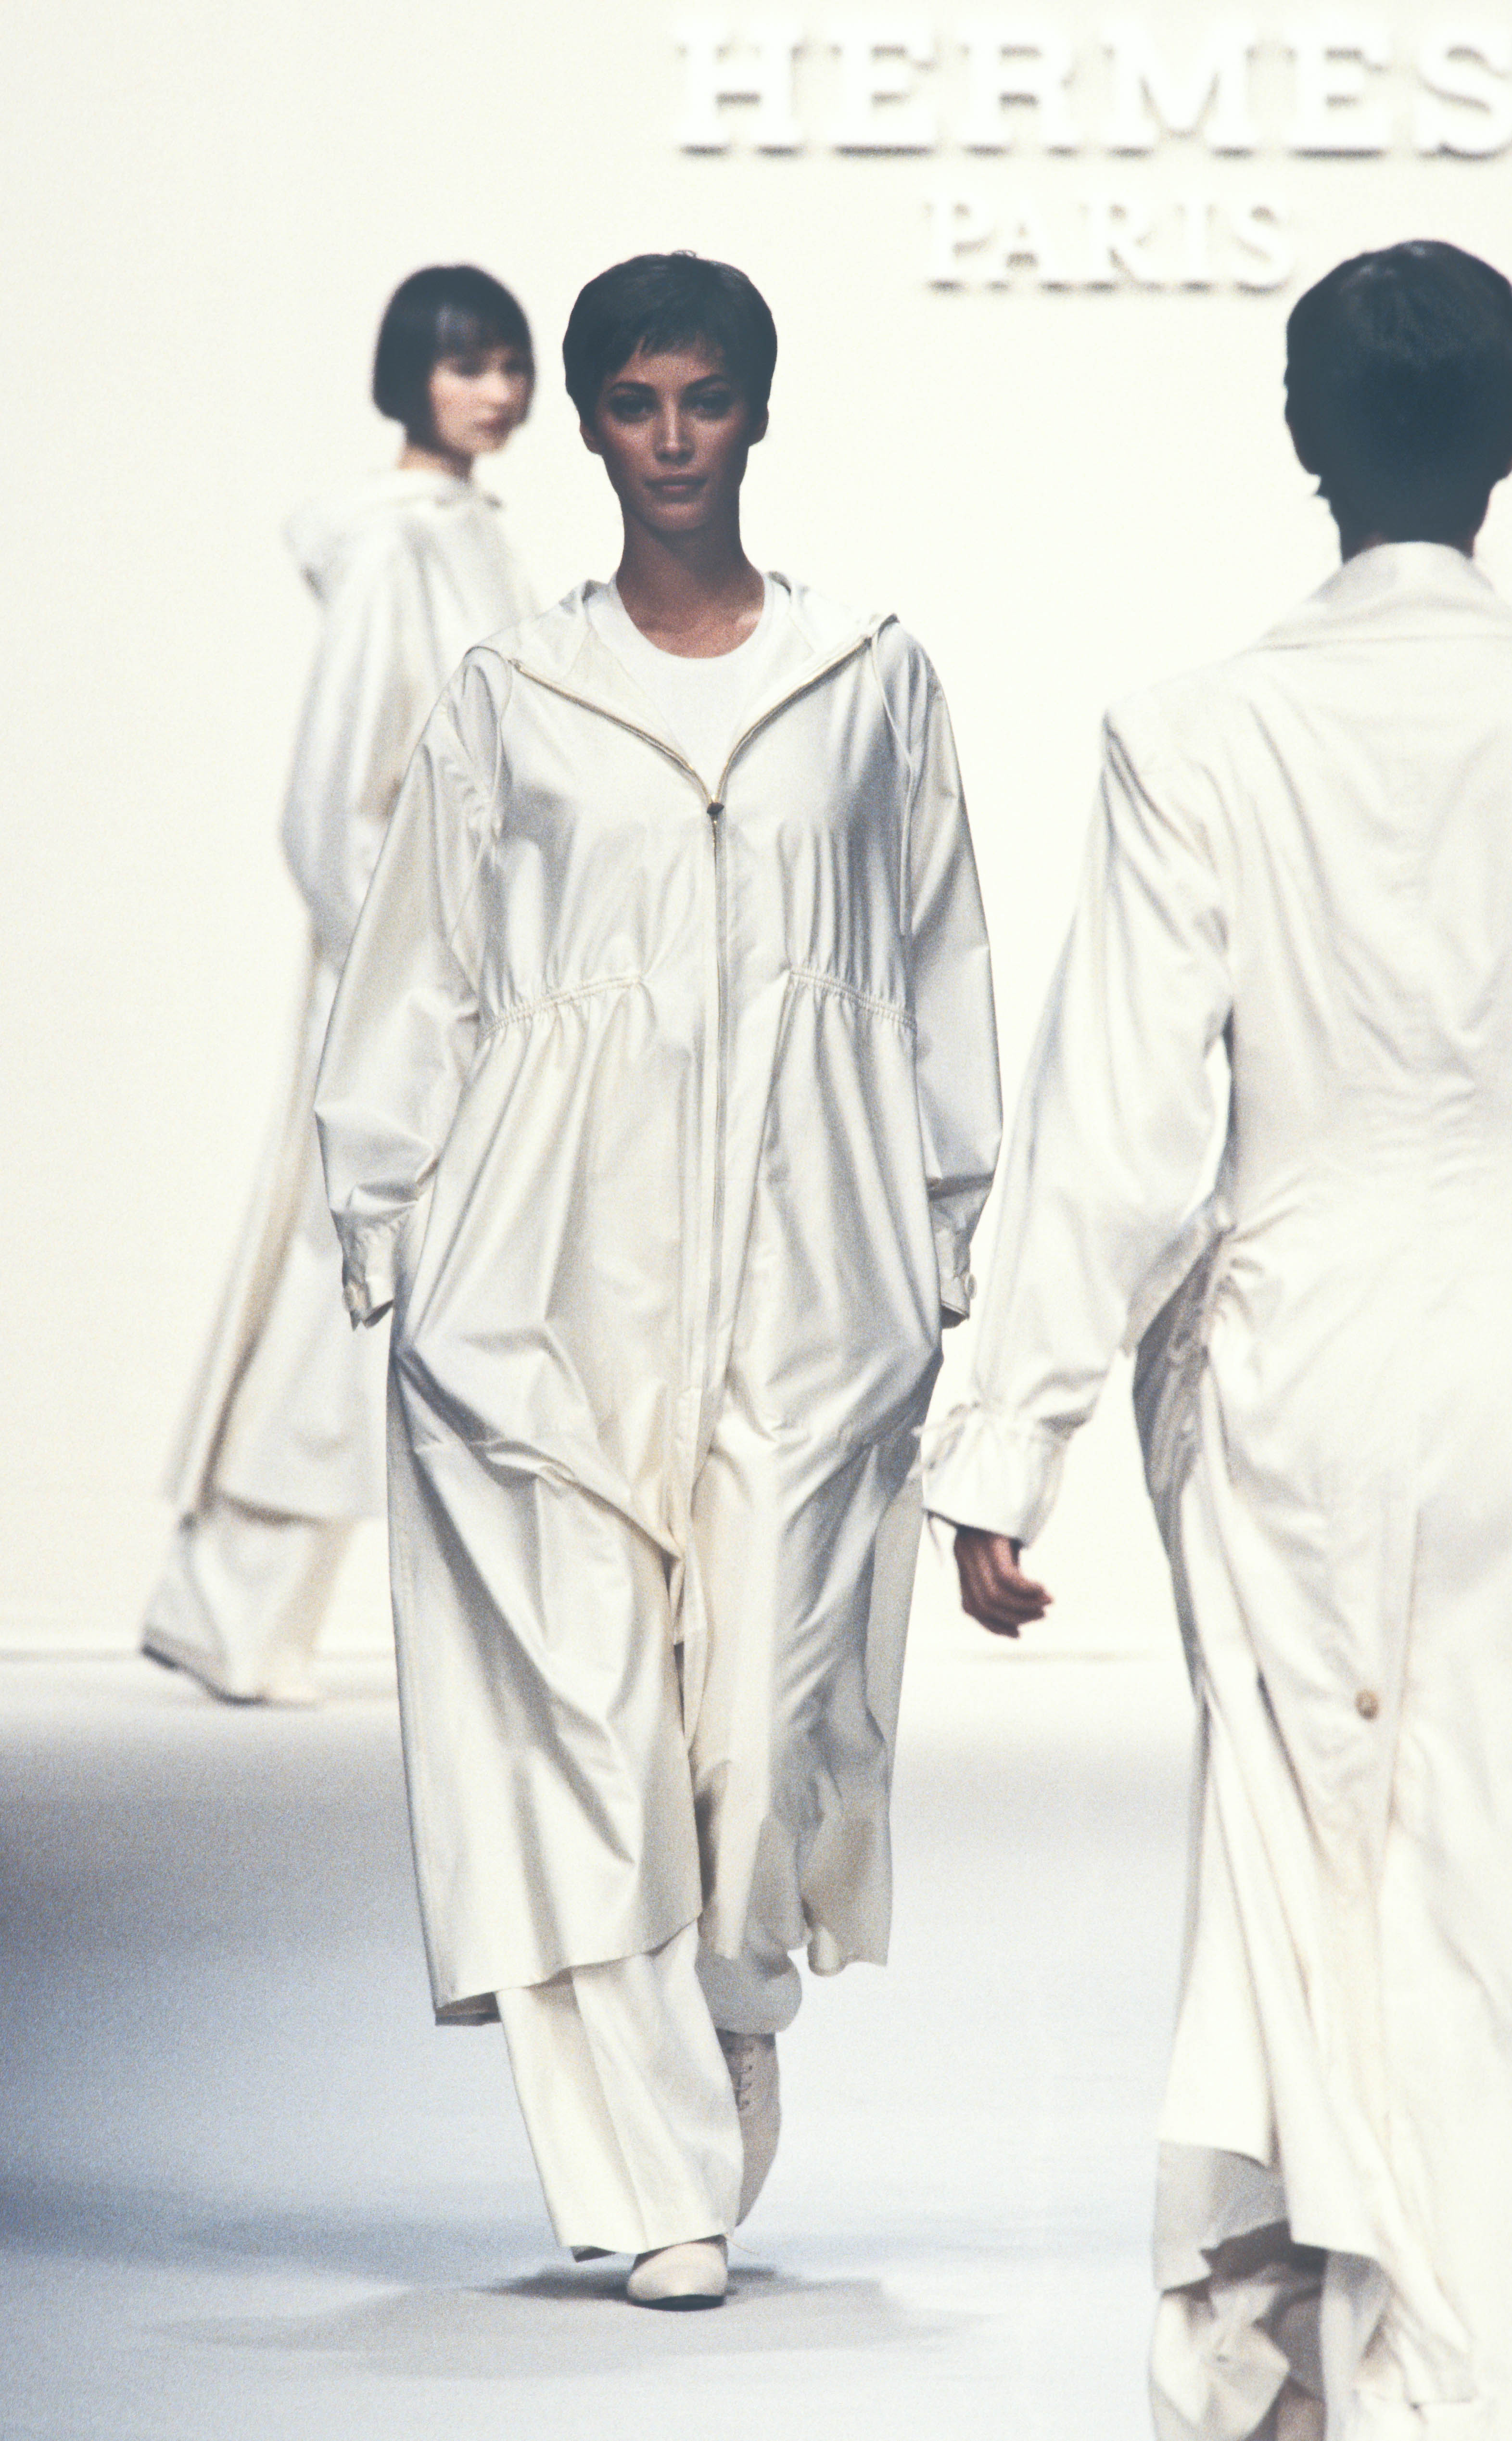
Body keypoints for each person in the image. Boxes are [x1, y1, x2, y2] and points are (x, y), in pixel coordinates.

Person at [926, 241, 1512, 2436]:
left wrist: (1007, 1444)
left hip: (1292, 1365)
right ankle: (1511, 2374)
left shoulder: (1196, 731)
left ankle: (1319, 2360)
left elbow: (1121, 1128)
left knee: (1306, 1859)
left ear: (1306, 439)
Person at [313, 252, 1002, 2306]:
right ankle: (656, 2170)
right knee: (581, 1717)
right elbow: (420, 961)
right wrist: (387, 1215)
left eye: (706, 398)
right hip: (543, 1268)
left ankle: (726, 2008)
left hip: (815, 1272)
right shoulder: (514, 687)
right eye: (635, 401)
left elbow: (943, 959)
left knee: (769, 1722)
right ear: (595, 424)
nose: (673, 437)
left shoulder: (868, 680)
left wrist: (950, 1229)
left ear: (760, 413)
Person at [143, 267, 535, 1704]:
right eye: (466, 364)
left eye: (511, 363)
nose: (496, 390)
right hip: (398, 987)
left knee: (427, 1282)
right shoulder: (391, 550)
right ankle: (232, 1602)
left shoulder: (470, 533)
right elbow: (328, 803)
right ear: (409, 375)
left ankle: (253, 1608)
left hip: (468, 979)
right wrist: (399, 974)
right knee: (342, 1276)